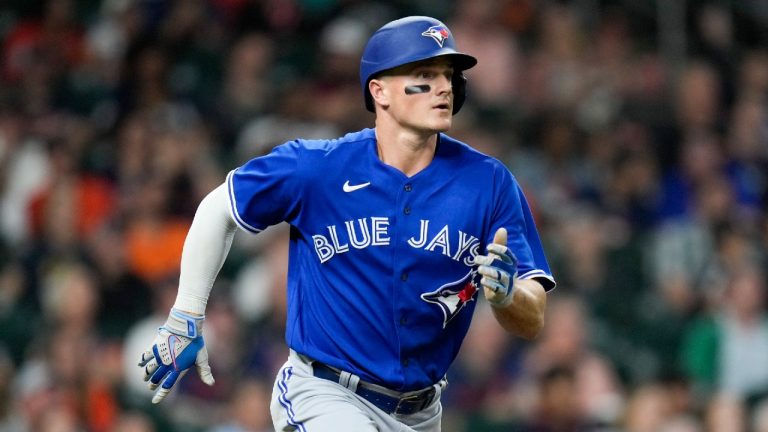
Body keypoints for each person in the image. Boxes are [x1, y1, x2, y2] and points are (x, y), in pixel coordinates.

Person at [137, 16, 555, 432]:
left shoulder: (489, 182)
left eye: (448, 76)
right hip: (327, 393)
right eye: (424, 75)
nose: (444, 87)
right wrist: (184, 317)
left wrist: (507, 297)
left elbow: (533, 316)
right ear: (380, 91)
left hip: (423, 413)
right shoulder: (319, 167)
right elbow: (217, 209)